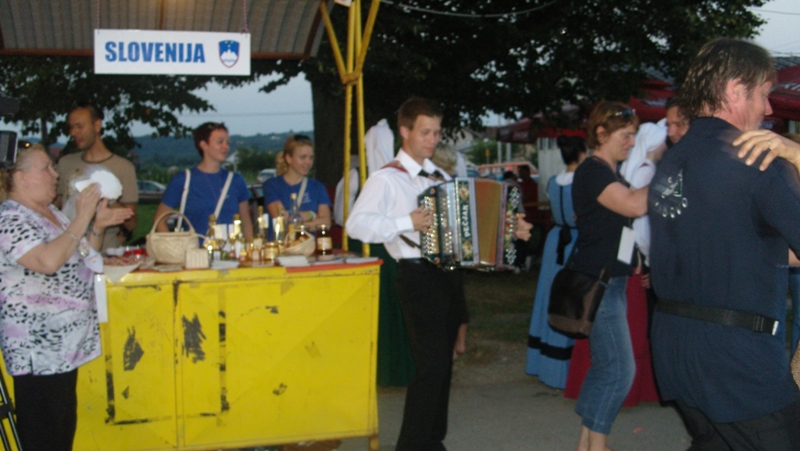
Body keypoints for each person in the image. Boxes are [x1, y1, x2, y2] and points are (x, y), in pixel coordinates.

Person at [347, 97, 531, 450]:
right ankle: (412, 445)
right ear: (404, 131)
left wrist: (510, 229)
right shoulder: (386, 179)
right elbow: (357, 225)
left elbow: (469, 227)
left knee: (443, 366)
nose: (432, 139)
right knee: (430, 367)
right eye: (425, 132)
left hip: (449, 274)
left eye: (436, 132)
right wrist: (406, 222)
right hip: (417, 275)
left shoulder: (442, 177)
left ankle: (432, 441)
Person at [649, 37, 800, 450]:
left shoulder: (672, 160)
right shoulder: (758, 158)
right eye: (764, 94)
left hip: (674, 348)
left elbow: (742, 242)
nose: (769, 109)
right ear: (736, 90)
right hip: (738, 360)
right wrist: (797, 156)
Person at [0, 145, 132, 451]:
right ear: (20, 178)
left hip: (62, 349)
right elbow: (47, 261)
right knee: (45, 437)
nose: (55, 174)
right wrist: (81, 217)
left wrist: (96, 225)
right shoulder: (9, 218)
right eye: (46, 168)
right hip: (38, 351)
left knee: (60, 433)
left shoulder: (50, 213)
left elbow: (83, 255)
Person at [569, 101, 648, 451]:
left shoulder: (612, 174)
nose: (631, 141)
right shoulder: (593, 171)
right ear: (601, 133)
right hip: (598, 283)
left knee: (606, 367)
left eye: (634, 135)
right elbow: (633, 205)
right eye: (625, 135)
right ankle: (597, 447)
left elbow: (621, 223)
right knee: (619, 370)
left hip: (609, 280)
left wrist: (635, 257)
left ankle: (587, 443)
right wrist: (668, 172)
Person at [526, 136, 586, 389]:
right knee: (571, 300)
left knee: (549, 297)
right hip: (575, 242)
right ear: (582, 153)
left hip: (555, 242)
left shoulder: (553, 182)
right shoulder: (583, 182)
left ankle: (543, 364)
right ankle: (565, 369)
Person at [57, 101, 138, 251]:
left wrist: (107, 196)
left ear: (97, 125)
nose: (73, 132)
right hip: (68, 254)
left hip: (106, 254)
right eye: (71, 127)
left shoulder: (123, 167)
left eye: (79, 126)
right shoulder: (65, 163)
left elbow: (131, 224)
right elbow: (54, 208)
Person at [155, 122, 253, 238]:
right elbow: (159, 220)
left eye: (227, 143)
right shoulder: (184, 180)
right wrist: (174, 246)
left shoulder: (235, 180)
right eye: (220, 142)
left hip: (230, 248)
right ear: (204, 145)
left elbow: (246, 223)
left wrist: (249, 246)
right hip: (195, 249)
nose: (226, 147)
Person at [263, 134, 331, 233]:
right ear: (288, 158)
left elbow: (326, 222)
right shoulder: (272, 185)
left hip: (308, 243)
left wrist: (296, 222)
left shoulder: (317, 187)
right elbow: (282, 218)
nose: (308, 162)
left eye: (311, 158)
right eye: (303, 157)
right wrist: (312, 215)